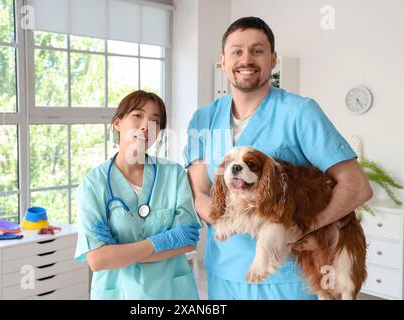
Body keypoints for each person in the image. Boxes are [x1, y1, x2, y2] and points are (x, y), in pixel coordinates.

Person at [184, 17, 373, 300]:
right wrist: (230, 219)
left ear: (273, 60)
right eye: (236, 51)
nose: (246, 59)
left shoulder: (300, 112)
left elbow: (356, 186)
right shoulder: (204, 118)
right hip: (224, 274)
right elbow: (198, 191)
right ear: (223, 61)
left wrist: (299, 230)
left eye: (257, 51)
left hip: (285, 281)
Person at [75, 90, 202, 300]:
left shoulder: (174, 174)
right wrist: (161, 242)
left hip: (171, 292)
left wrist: (118, 253)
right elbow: (97, 261)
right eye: (137, 116)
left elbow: (188, 241)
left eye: (155, 121)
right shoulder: (92, 185)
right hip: (118, 292)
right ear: (117, 123)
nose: (145, 126)